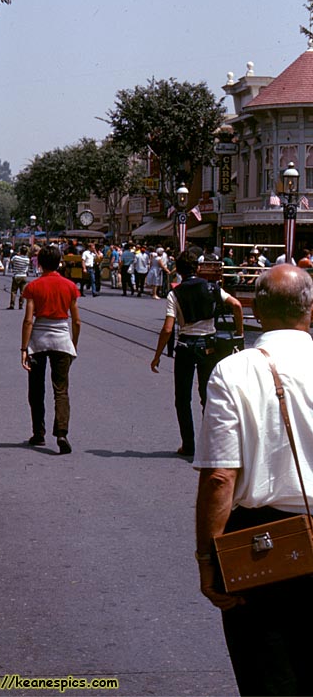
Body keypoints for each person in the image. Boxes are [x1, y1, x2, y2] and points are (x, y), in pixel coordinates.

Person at [194, 265, 313, 697]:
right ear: (310, 310)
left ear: (256, 310)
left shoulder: (234, 371)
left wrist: (208, 561)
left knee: (269, 675)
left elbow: (220, 476)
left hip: (262, 544)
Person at [151, 250, 243, 457]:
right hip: (209, 345)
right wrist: (240, 333)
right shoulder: (212, 287)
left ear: (180, 272)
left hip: (185, 346)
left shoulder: (175, 293)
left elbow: (167, 329)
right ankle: (210, 442)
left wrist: (157, 356)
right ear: (198, 268)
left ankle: (188, 445)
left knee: (182, 398)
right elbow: (236, 305)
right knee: (207, 396)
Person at [21, 245, 81, 454]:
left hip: (38, 341)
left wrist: (23, 348)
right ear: (60, 262)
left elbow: (28, 320)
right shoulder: (70, 286)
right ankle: (62, 433)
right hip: (62, 339)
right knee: (61, 389)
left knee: (36, 389)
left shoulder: (33, 287)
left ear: (39, 263)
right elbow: (77, 321)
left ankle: (39, 433)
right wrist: (74, 343)